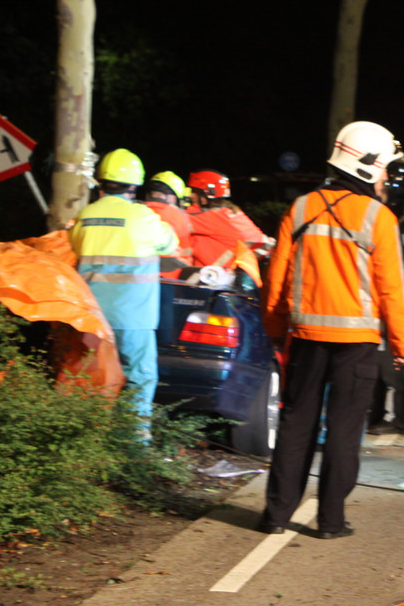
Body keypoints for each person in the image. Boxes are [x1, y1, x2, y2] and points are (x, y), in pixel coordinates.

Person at [260, 121, 404, 539]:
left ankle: (275, 515)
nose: (386, 177)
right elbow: (391, 290)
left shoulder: (299, 209)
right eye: (384, 168)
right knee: (344, 432)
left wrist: (274, 327)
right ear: (369, 165)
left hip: (305, 339)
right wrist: (403, 345)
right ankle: (330, 521)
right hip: (357, 345)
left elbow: (276, 278)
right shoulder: (379, 218)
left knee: (296, 425)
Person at [70, 149, 179, 430]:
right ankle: (132, 445)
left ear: (101, 182)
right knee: (139, 379)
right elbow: (170, 242)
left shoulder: (85, 215)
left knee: (94, 379)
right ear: (134, 184)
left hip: (92, 318)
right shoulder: (141, 216)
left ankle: (88, 440)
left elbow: (75, 247)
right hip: (133, 318)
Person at [368, 159, 404, 435]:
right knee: (383, 363)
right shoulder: (395, 219)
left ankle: (395, 419)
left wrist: (399, 304)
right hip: (393, 302)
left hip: (400, 304)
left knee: (395, 364)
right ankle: (381, 414)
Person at [186, 169, 271, 268]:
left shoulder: (213, 217)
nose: (190, 195)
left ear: (205, 195)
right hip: (244, 269)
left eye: (194, 191)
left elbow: (178, 219)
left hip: (223, 273)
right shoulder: (229, 211)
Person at [140, 171, 193, 279]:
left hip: (139, 275)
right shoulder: (181, 216)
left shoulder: (135, 211)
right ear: (173, 196)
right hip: (171, 279)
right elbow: (186, 253)